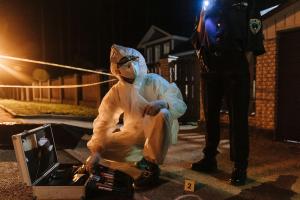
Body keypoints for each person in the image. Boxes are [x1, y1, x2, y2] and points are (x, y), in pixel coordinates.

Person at [86, 44, 187, 188]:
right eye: (125, 64)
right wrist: (96, 151)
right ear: (117, 70)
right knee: (102, 147)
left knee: (163, 114)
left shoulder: (153, 80)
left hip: (157, 133)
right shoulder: (117, 91)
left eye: (133, 60)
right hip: (133, 134)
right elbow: (104, 120)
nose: (132, 66)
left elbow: (178, 102)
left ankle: (152, 167)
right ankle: (141, 159)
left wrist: (163, 103)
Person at [191, 0, 265, 185]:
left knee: (238, 118)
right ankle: (209, 158)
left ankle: (240, 166)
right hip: (209, 67)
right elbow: (198, 31)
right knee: (210, 115)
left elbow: (254, 33)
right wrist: (199, 51)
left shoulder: (248, 4)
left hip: (235, 64)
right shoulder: (208, 3)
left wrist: (242, 63)